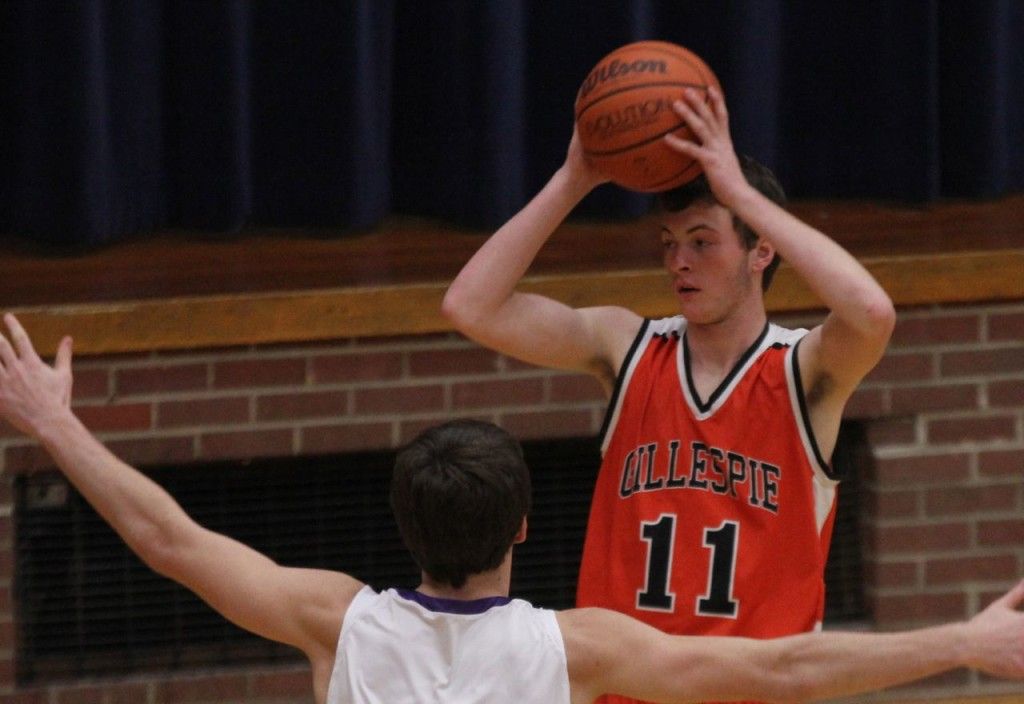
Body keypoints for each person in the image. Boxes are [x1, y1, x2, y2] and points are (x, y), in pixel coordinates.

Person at [1, 313, 1023, 704]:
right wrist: (966, 641)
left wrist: (53, 421)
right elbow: (783, 669)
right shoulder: (575, 649)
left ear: (402, 526)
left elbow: (165, 538)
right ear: (525, 526)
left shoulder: (337, 621)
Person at [442, 85, 897, 701]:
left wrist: (741, 194)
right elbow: (470, 306)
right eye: (668, 242)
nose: (679, 260)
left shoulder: (802, 371)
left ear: (761, 250)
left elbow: (872, 312)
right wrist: (573, 181)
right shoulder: (626, 348)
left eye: (702, 241)